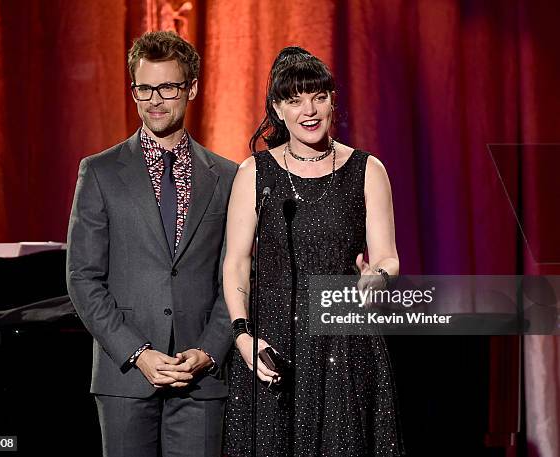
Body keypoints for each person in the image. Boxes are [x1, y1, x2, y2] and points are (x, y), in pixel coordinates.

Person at [222, 47, 404, 456]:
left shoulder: (367, 169)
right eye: (295, 99)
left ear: (331, 101)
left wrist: (379, 277)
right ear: (277, 109)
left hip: (344, 342)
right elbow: (236, 261)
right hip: (273, 346)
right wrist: (241, 335)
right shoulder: (255, 173)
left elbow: (388, 256)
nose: (309, 109)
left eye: (318, 97)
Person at [66, 31, 238, 457]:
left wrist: (208, 351)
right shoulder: (100, 172)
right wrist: (138, 353)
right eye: (144, 87)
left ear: (192, 88)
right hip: (124, 377)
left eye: (168, 87)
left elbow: (236, 276)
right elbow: (82, 278)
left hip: (200, 379)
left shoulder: (228, 176)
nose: (155, 99)